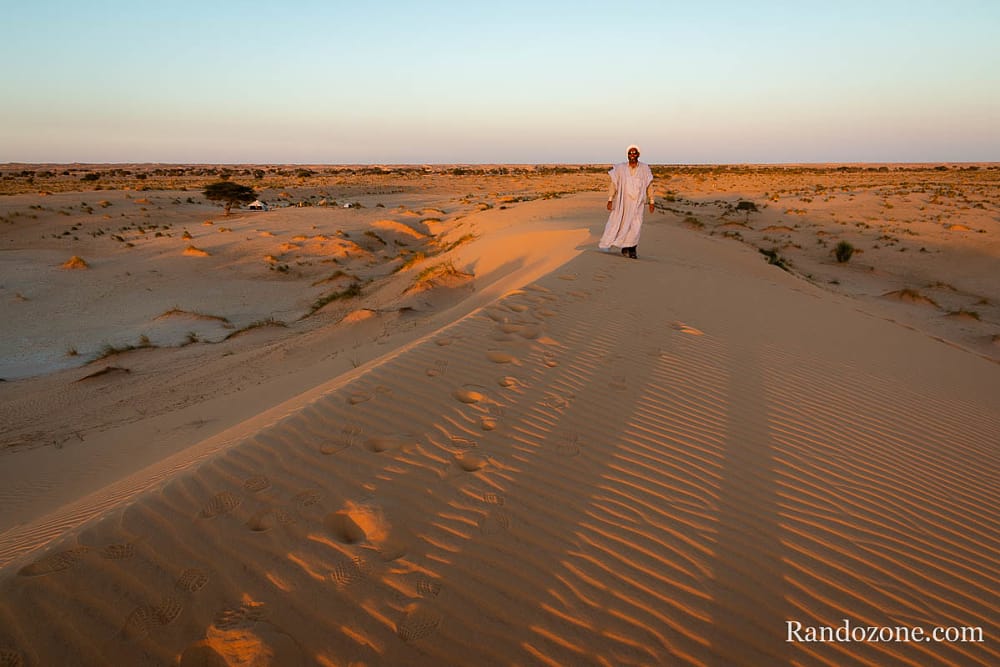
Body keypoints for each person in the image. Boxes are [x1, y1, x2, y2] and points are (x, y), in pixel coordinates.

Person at [599, 144, 654, 259]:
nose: (632, 155)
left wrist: (652, 201)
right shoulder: (620, 168)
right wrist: (610, 199)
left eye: (634, 153)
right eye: (630, 153)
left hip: (638, 204)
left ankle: (632, 249)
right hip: (623, 203)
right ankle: (625, 247)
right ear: (627, 155)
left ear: (638, 154)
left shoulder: (644, 169)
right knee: (621, 224)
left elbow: (649, 186)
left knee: (635, 226)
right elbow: (613, 184)